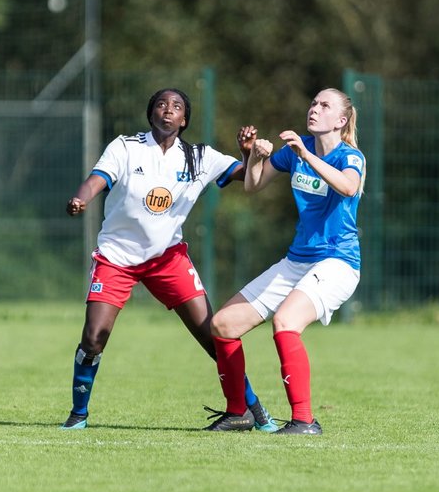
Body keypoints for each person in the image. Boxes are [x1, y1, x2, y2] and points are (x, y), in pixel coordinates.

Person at [60, 87, 278, 432]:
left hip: (167, 259)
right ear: (151, 114)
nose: (168, 110)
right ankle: (78, 414)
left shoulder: (198, 156)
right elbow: (97, 179)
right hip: (117, 257)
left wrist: (250, 154)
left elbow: (247, 176)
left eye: (176, 106)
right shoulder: (126, 147)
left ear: (184, 119)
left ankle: (254, 409)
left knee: (214, 336)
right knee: (94, 336)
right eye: (161, 104)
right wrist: (80, 197)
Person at [205, 88, 366, 435]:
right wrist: (253, 156)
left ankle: (305, 421)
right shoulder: (295, 152)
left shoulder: (349, 157)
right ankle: (238, 413)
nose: (314, 108)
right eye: (313, 102)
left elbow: (348, 187)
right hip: (298, 260)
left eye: (325, 106)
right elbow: (252, 185)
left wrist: (306, 154)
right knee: (223, 325)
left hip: (338, 262)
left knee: (286, 321)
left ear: (341, 120)